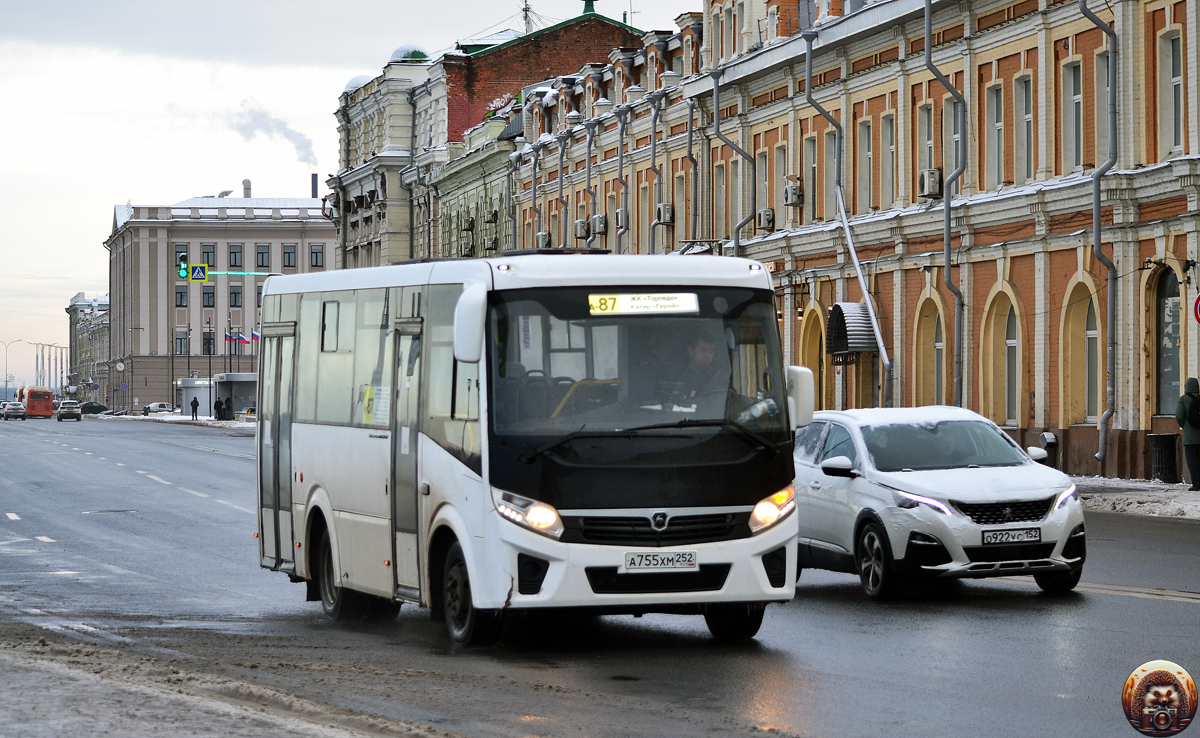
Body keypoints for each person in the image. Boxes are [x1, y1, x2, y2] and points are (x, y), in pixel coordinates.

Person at [677, 335, 722, 401]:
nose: (707, 355)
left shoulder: (716, 376)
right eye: (703, 350)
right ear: (691, 351)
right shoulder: (678, 375)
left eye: (711, 351)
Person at [1175, 377, 1200, 491]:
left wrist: (1184, 425)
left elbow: (1179, 415)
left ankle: (1196, 483)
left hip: (1189, 436)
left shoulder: (1183, 399)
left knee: (1192, 459)